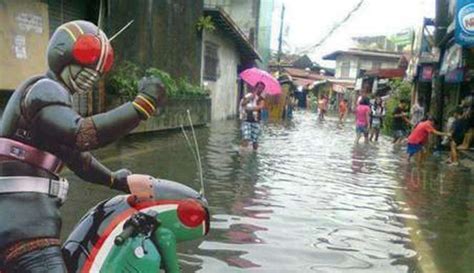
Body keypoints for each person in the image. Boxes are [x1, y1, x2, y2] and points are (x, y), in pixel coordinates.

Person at [0, 21, 166, 272]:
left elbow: (78, 158)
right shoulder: (45, 90)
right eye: (87, 55)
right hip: (24, 228)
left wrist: (116, 180)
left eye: (101, 67)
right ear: (62, 51)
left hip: (19, 221)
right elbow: (80, 134)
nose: (93, 73)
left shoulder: (48, 101)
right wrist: (141, 106)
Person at [240, 82, 265, 150]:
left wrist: (250, 108)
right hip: (246, 120)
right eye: (259, 87)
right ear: (255, 87)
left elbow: (260, 107)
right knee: (246, 137)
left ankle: (254, 153)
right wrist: (251, 97)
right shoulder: (248, 95)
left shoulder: (261, 98)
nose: (260, 89)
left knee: (255, 141)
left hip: (256, 121)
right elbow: (243, 104)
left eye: (262, 88)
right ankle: (242, 153)